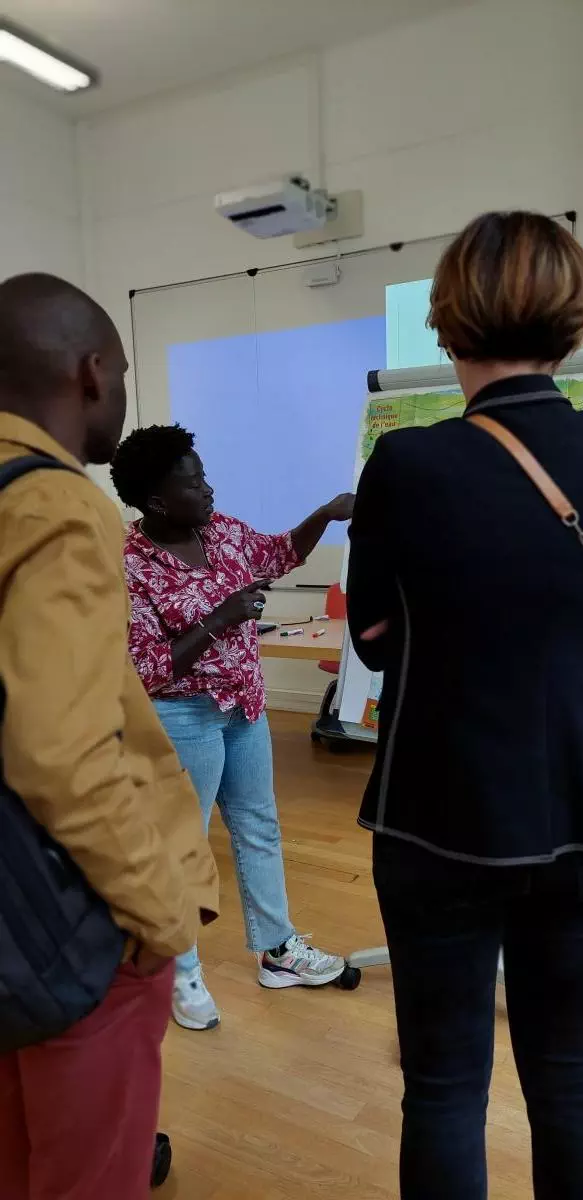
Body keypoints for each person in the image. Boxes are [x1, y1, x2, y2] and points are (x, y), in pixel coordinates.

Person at [347, 212, 583, 1200]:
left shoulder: (408, 464)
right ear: (574, 325)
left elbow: (372, 643)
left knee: (444, 1090)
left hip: (443, 815)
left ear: (447, 329)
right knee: (573, 1080)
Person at [0, 273, 219, 1200]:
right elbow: (63, 752)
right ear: (92, 373)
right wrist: (159, 916)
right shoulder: (59, 504)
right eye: (123, 373)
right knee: (91, 1174)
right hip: (74, 920)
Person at [111, 423, 354, 1031]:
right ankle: (181, 968)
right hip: (181, 716)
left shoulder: (220, 533)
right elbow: (147, 670)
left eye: (205, 474)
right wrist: (222, 616)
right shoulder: (130, 564)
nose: (209, 488)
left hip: (244, 707)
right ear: (159, 500)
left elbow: (279, 552)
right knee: (183, 844)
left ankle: (278, 952)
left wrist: (324, 514)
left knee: (258, 827)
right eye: (193, 482)